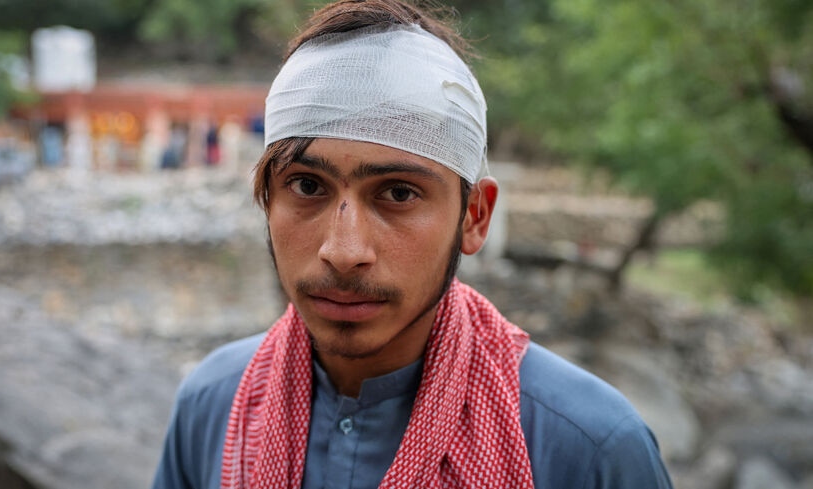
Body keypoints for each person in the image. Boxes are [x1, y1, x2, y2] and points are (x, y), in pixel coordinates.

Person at [151, 1, 674, 488]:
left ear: (474, 217)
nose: (343, 251)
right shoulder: (213, 406)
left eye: (398, 193)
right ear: (267, 199)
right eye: (307, 186)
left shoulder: (590, 450)